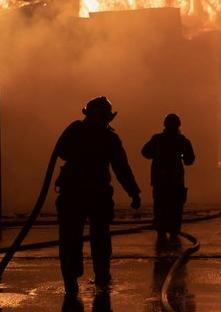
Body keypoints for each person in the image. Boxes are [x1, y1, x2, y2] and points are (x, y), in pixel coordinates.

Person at [54, 96, 141, 293]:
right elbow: (121, 168)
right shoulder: (108, 137)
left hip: (74, 194)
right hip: (95, 195)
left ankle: (72, 280)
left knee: (71, 238)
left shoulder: (76, 131)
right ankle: (101, 276)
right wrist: (133, 192)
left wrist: (133, 191)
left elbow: (62, 153)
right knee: (98, 237)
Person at [141, 113, 195, 244]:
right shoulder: (183, 141)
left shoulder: (157, 139)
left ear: (165, 125)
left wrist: (158, 154)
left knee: (160, 207)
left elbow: (145, 152)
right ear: (178, 125)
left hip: (160, 182)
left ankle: (161, 230)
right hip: (176, 183)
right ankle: (174, 230)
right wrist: (180, 155)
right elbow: (189, 160)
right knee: (176, 208)